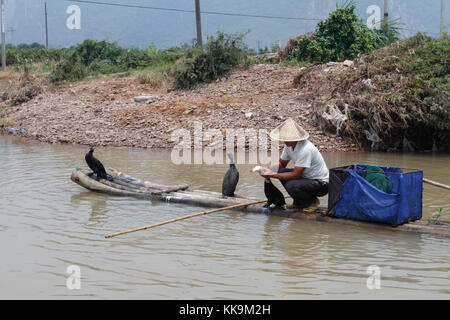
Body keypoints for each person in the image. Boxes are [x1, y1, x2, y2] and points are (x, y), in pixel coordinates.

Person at [259, 117, 329, 210]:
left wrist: (272, 175)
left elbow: (296, 175)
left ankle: (312, 202)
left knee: (291, 185)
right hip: (306, 178)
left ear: (296, 139)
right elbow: (281, 163)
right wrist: (268, 169)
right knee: (281, 171)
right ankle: (298, 202)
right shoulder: (288, 146)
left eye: (287, 139)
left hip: (320, 184)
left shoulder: (305, 149)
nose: (284, 141)